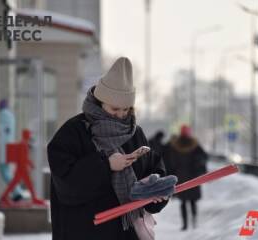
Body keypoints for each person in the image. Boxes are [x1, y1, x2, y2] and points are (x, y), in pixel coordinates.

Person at [47, 57, 169, 240]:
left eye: (126, 109)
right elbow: (66, 188)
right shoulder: (72, 133)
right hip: (84, 233)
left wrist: (156, 191)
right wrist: (106, 166)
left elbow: (153, 168)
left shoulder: (135, 133)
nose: (121, 115)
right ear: (100, 102)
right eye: (115, 109)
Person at [164, 125, 208, 230]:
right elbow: (204, 156)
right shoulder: (195, 145)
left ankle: (185, 224)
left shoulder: (175, 145)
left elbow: (170, 161)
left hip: (180, 176)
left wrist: (170, 174)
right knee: (192, 201)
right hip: (193, 176)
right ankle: (194, 221)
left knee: (183, 202)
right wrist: (200, 169)